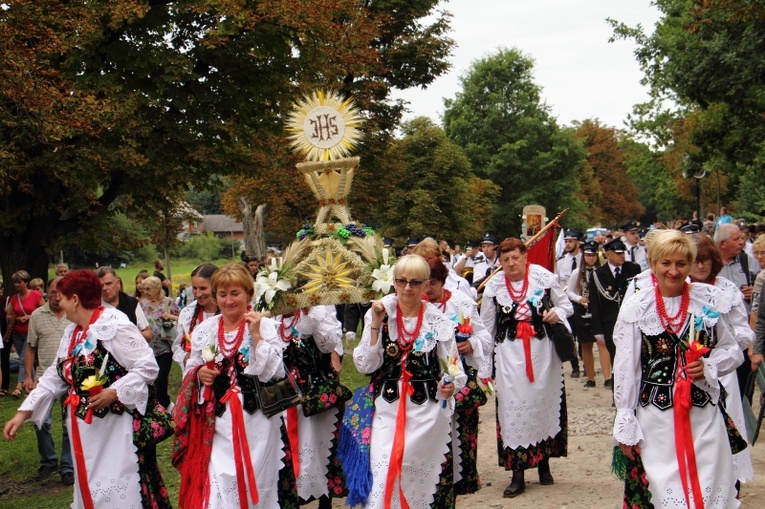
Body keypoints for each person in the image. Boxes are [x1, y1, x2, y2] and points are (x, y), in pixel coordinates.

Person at [3, 269, 169, 508]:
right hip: (84, 429)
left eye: (61, 296)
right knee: (90, 487)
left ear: (75, 299)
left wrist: (114, 391)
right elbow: (55, 375)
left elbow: (147, 366)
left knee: (114, 489)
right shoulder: (74, 332)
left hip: (113, 429)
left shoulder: (114, 324)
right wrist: (23, 413)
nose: (58, 301)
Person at [613, 230, 745, 508]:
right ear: (653, 263)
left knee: (708, 487)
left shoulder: (708, 299)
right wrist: (625, 419)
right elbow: (626, 368)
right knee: (663, 490)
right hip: (655, 419)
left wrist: (711, 365)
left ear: (690, 264)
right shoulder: (638, 306)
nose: (673, 271)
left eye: (681, 264)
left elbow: (733, 349)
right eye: (666, 263)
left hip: (704, 415)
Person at [173, 263, 297, 508]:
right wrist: (200, 374)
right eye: (222, 294)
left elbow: (276, 372)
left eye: (235, 293)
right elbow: (191, 366)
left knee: (256, 486)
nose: (228, 301)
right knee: (218, 487)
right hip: (216, 422)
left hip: (257, 422)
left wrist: (256, 336)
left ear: (249, 294)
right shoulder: (206, 329)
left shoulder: (264, 326)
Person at [354, 254, 465, 508]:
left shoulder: (437, 320)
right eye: (402, 281)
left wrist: (451, 384)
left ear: (427, 285)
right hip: (387, 409)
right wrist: (374, 325)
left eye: (415, 283)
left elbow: (453, 367)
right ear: (393, 282)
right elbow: (365, 365)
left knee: (419, 476)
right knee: (384, 472)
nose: (407, 288)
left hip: (426, 412)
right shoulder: (381, 314)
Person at [479, 238, 572, 498]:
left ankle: (544, 463)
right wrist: (485, 366)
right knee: (512, 410)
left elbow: (567, 306)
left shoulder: (544, 277)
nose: (511, 264)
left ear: (525, 256)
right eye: (505, 260)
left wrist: (557, 314)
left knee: (543, 404)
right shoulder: (494, 286)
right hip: (509, 355)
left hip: (543, 353)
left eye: (515, 258)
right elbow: (487, 328)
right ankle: (517, 472)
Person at [689, 234, 755, 486]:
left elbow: (743, 331)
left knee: (727, 426)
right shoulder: (679, 288)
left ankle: (730, 482)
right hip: (689, 370)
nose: (701, 266)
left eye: (706, 260)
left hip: (723, 370)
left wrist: (718, 354)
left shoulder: (727, 289)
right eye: (695, 261)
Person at [424, 257, 491, 495]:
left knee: (462, 428)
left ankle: (462, 479)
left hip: (460, 376)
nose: (427, 289)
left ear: (443, 281)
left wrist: (471, 343)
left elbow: (485, 337)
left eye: (432, 283)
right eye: (424, 283)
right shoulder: (416, 306)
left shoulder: (462, 303)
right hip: (430, 378)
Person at [276, 306, 348, 509]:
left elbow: (329, 345)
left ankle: (325, 501)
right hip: (284, 396)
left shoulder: (317, 312)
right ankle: (294, 498)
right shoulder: (271, 319)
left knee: (321, 448)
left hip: (316, 395)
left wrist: (311, 316)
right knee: (288, 450)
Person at [22, 277, 74, 485]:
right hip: (44, 376)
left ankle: (68, 467)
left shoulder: (74, 314)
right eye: (53, 292)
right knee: (40, 420)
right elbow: (31, 348)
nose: (56, 296)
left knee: (69, 422)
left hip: (70, 378)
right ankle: (49, 461)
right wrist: (27, 376)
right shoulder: (37, 315)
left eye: (61, 292)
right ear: (46, 293)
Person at [589, 238, 642, 372]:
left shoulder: (633, 269)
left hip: (631, 321)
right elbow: (595, 303)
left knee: (634, 359)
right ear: (607, 255)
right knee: (615, 360)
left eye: (623, 253)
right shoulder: (599, 274)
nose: (622, 256)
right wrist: (598, 329)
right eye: (618, 253)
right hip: (610, 323)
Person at [566, 241, 609, 388]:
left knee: (602, 342)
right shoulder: (576, 273)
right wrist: (579, 299)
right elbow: (569, 291)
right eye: (588, 255)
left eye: (593, 255)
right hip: (583, 308)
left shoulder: (602, 271)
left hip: (599, 309)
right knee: (586, 344)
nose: (591, 258)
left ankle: (607, 377)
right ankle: (590, 377)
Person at [140, 276, 179, 409]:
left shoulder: (168, 302)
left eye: (148, 288)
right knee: (152, 380)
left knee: (161, 378)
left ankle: (165, 405)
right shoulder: (142, 304)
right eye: (143, 289)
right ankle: (159, 405)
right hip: (148, 349)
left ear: (158, 288)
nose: (145, 291)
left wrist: (170, 316)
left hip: (165, 348)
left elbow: (181, 319)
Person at [5, 270, 45, 398]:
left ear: (26, 282)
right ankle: (31, 385)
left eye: (19, 282)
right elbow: (9, 315)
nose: (17, 285)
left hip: (30, 332)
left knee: (23, 359)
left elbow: (44, 310)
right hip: (17, 333)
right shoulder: (14, 298)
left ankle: (19, 386)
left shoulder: (35, 295)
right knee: (28, 361)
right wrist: (17, 319)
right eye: (15, 282)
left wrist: (30, 316)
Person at [172, 263, 219, 370]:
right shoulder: (188, 314)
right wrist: (185, 357)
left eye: (203, 288)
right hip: (195, 376)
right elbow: (177, 346)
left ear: (216, 286)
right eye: (194, 288)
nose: (197, 294)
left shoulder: (227, 313)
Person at [97, 266, 153, 341]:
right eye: (101, 286)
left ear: (118, 283)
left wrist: (133, 331)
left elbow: (148, 334)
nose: (104, 288)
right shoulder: (95, 308)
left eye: (108, 284)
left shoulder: (132, 303)